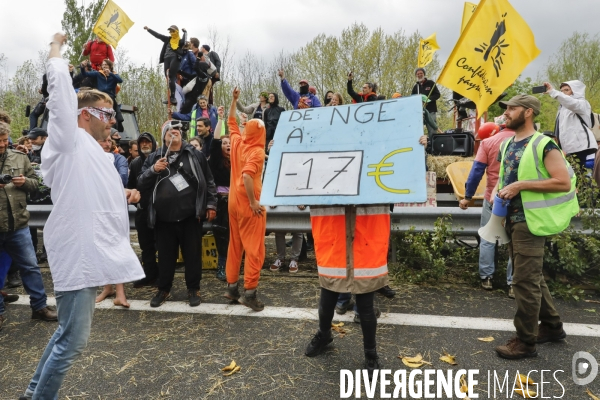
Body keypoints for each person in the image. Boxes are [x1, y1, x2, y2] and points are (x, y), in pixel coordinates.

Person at [21, 34, 145, 400]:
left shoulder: (91, 152)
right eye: (109, 116)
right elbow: (61, 95)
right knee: (72, 342)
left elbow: (89, 191)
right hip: (79, 252)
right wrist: (56, 50)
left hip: (88, 253)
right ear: (88, 115)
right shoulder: (68, 139)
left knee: (64, 336)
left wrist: (123, 193)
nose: (114, 124)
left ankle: (32, 393)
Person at [492, 94, 577, 359]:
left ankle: (526, 342)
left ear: (528, 112)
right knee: (530, 277)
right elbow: (504, 179)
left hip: (530, 222)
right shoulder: (508, 144)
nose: (506, 113)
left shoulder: (544, 144)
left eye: (512, 108)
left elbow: (562, 182)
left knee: (524, 282)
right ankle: (552, 327)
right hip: (512, 220)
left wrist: (520, 185)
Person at [137, 120, 217, 308]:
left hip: (191, 216)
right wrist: (152, 170)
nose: (175, 132)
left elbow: (209, 181)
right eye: (170, 130)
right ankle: (163, 289)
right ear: (164, 135)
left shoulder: (194, 154)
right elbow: (140, 182)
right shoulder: (154, 157)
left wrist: (211, 204)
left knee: (193, 255)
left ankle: (193, 289)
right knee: (165, 256)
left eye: (178, 130)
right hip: (164, 218)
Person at [0, 121, 57, 332]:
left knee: (31, 267)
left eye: (5, 140)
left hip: (18, 225)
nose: (3, 145)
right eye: (0, 141)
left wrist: (24, 181)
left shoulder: (20, 157)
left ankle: (39, 307)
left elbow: (37, 185)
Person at [459, 122, 515, 297]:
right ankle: (513, 283)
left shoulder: (488, 142)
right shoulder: (527, 140)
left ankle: (487, 278)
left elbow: (477, 171)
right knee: (516, 241)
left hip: (494, 197)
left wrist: (468, 197)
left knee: (488, 237)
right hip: (519, 199)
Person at [224, 87, 267, 311]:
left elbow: (231, 121)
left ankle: (232, 287)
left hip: (233, 202)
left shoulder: (239, 142)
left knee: (235, 244)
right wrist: (253, 202)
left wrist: (234, 101)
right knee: (254, 248)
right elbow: (248, 176)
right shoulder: (257, 152)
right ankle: (250, 293)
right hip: (249, 204)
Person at [94, 133, 132, 306]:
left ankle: (120, 293)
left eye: (110, 140)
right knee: (101, 248)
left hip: (115, 208)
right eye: (103, 140)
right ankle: (107, 288)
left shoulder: (119, 160)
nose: (107, 143)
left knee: (118, 247)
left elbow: (122, 179)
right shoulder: (90, 158)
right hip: (97, 207)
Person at [127, 132, 159, 288]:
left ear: (153, 143)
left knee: (162, 244)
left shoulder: (161, 160)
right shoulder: (135, 163)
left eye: (148, 142)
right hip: (142, 211)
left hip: (160, 210)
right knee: (146, 246)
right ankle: (149, 275)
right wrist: (137, 203)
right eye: (142, 143)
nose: (145, 145)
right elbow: (131, 186)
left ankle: (163, 276)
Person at [545, 80, 598, 168]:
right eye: (561, 91)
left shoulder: (582, 104)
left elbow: (571, 103)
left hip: (582, 148)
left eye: (566, 90)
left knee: (585, 176)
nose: (563, 93)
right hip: (567, 149)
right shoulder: (562, 109)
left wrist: (553, 92)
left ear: (576, 90)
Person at [210, 106, 231, 281]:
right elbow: (215, 140)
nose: (227, 145)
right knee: (221, 234)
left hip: (236, 202)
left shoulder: (238, 161)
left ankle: (234, 264)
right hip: (221, 202)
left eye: (230, 143)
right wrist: (221, 119)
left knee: (236, 234)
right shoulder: (216, 161)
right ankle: (222, 265)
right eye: (225, 143)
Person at [144, 25, 187, 105]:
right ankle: (171, 97)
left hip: (175, 57)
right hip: (166, 58)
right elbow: (158, 35)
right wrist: (148, 29)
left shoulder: (180, 41)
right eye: (170, 31)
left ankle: (173, 97)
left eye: (173, 31)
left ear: (177, 32)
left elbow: (184, 41)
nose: (171, 33)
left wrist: (185, 32)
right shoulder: (168, 39)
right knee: (168, 78)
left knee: (171, 76)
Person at [79, 59, 124, 131]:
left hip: (110, 97)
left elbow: (120, 80)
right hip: (101, 96)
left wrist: (111, 74)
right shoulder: (98, 74)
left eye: (106, 65)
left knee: (111, 114)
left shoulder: (114, 74)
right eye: (103, 65)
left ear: (110, 66)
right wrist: (82, 67)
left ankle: (113, 128)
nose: (104, 66)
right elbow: (85, 74)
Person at [411, 68, 441, 135]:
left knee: (432, 129)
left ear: (424, 74)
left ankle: (434, 144)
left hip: (431, 110)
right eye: (418, 74)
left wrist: (428, 99)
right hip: (420, 111)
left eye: (421, 73)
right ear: (416, 75)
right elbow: (412, 99)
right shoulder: (416, 87)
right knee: (418, 129)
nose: (419, 75)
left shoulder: (431, 83)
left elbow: (437, 94)